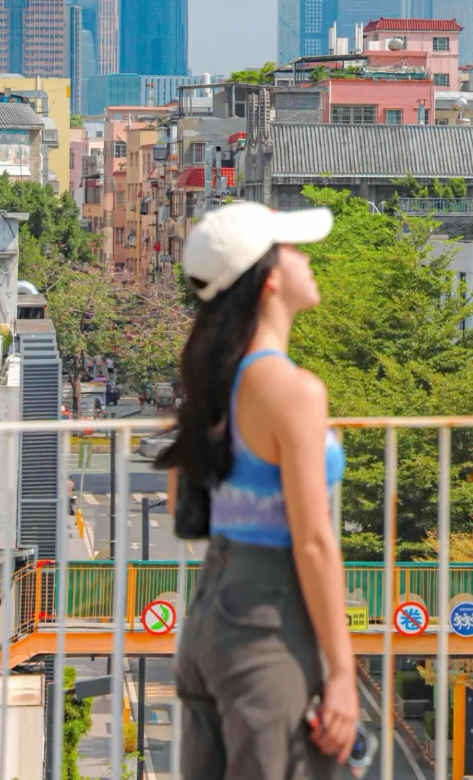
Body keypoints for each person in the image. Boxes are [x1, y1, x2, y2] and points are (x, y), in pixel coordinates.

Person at [162, 201, 358, 779]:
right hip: (268, 619)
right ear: (270, 278)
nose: (306, 259)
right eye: (294, 249)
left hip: (211, 613)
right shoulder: (292, 390)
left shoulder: (213, 376)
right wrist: (343, 673)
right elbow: (315, 540)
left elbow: (184, 506)